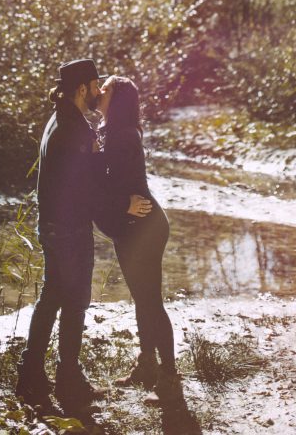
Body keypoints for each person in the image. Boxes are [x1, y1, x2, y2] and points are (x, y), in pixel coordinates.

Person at [15, 58, 106, 413]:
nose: (99, 92)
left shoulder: (59, 118)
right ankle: (63, 376)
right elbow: (87, 187)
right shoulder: (74, 129)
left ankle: (37, 374)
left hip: (54, 225)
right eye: (95, 86)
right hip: (69, 229)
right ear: (82, 88)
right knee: (73, 300)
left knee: (54, 296)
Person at [93, 75, 180, 402]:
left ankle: (169, 377)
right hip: (129, 226)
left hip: (145, 226)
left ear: (116, 100)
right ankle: (147, 365)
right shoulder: (109, 132)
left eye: (105, 89)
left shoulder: (124, 136)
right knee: (141, 299)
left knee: (151, 301)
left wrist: (119, 204)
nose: (99, 91)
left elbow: (115, 186)